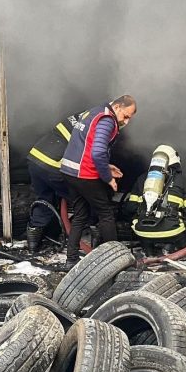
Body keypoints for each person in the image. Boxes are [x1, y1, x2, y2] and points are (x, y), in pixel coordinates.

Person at [60, 95, 136, 266]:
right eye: (126, 116)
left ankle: (70, 259)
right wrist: (107, 177)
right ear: (117, 107)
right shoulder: (107, 120)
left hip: (69, 171)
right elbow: (97, 152)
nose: (126, 122)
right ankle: (117, 261)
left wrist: (106, 166)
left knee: (80, 215)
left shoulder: (93, 112)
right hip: (84, 174)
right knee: (106, 213)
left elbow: (86, 146)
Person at [122, 145, 186, 256]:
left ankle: (148, 252)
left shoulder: (141, 179)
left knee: (145, 234)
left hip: (143, 232)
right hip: (173, 232)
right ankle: (170, 248)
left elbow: (129, 209)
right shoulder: (184, 182)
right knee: (183, 228)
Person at [25, 112, 79, 252]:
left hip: (35, 159)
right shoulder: (97, 121)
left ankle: (32, 245)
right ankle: (85, 238)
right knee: (83, 198)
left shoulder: (78, 117)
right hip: (53, 164)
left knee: (45, 199)